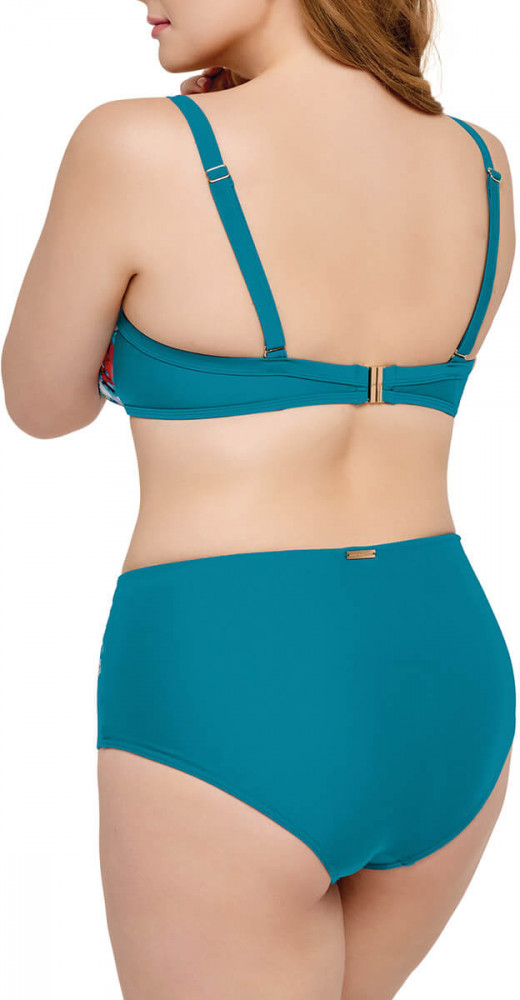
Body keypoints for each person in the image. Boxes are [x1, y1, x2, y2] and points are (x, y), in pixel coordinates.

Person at [2, 2, 517, 998]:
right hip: (445, 674)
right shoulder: (482, 162)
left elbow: (39, 403)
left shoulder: (139, 145)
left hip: (236, 676)